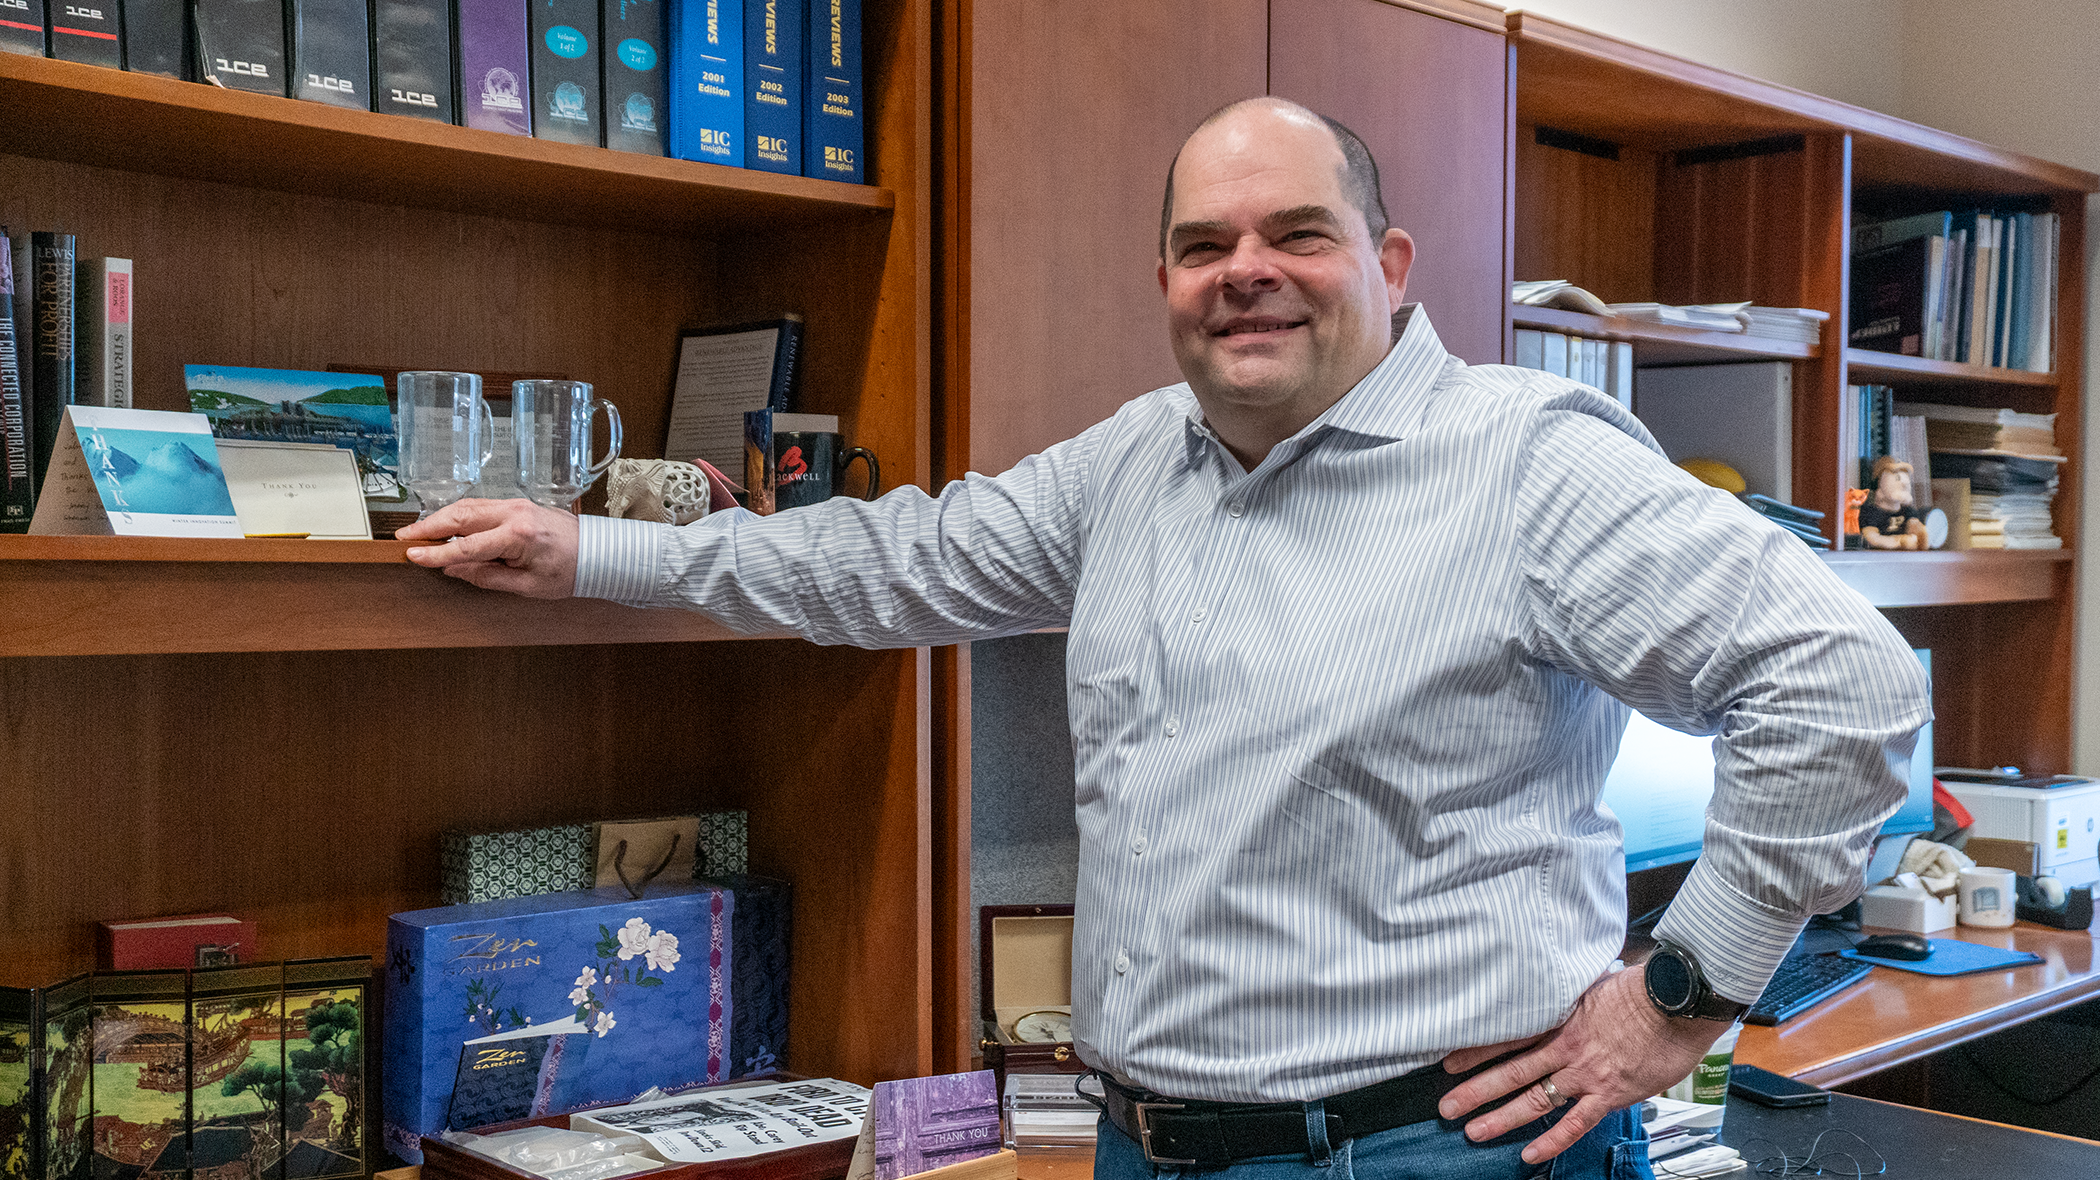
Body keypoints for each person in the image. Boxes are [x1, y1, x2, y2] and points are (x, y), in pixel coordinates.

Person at [402, 98, 1931, 1179]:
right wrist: (597, 549)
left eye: (1297, 233)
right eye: (1204, 245)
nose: (1243, 270)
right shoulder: (1139, 459)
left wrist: (1684, 996)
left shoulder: (1526, 458)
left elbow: (1841, 682)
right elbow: (892, 561)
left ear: (1391, 268)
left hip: (1432, 1157)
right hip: (1151, 1148)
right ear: (1167, 287)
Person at [1858, 456, 1930, 549]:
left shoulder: (1908, 511)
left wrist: (1921, 534)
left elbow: (1916, 530)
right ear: (1879, 484)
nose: (1904, 484)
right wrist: (1899, 541)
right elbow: (1872, 539)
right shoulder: (1871, 513)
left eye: (1905, 478)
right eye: (1897, 478)